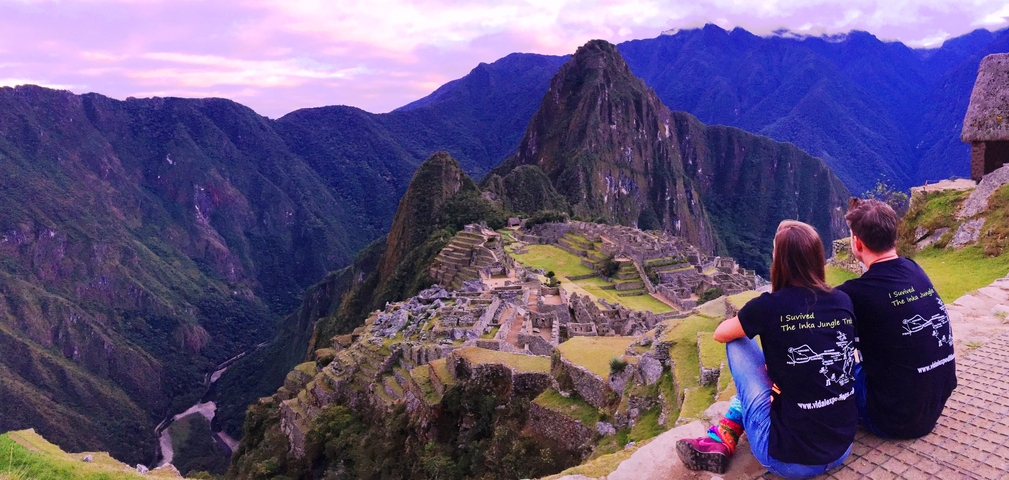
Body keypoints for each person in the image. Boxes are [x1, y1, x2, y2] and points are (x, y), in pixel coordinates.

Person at [676, 221, 857, 478]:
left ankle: (726, 431)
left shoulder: (767, 306)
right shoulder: (842, 300)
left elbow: (720, 334)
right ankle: (728, 431)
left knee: (737, 341)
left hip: (789, 462)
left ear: (780, 261)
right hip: (841, 449)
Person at [836, 198, 956, 438]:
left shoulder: (853, 293)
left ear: (857, 242)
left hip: (891, 418)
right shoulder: (914, 269)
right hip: (932, 406)